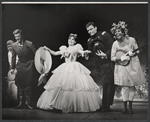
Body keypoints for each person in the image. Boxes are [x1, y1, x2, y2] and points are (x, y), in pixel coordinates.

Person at [37, 33, 102, 113]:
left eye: (72, 40)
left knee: (74, 87)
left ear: (75, 42)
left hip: (74, 67)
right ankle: (60, 104)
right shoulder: (64, 48)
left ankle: (74, 106)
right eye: (69, 39)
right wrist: (48, 49)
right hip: (65, 67)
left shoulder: (76, 48)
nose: (70, 41)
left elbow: (80, 51)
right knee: (62, 86)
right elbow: (55, 53)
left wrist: (84, 52)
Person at [110, 21, 146, 114]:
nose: (117, 33)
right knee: (125, 87)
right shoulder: (115, 44)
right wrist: (121, 58)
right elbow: (112, 57)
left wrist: (133, 53)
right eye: (115, 32)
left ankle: (130, 108)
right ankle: (125, 108)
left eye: (119, 31)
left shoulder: (131, 40)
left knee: (131, 86)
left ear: (123, 32)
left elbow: (137, 51)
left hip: (132, 64)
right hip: (121, 66)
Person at [85, 22, 116, 112]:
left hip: (108, 63)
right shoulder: (89, 40)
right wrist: (87, 55)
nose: (90, 31)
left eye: (91, 29)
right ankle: (106, 104)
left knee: (107, 83)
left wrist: (106, 55)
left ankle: (105, 105)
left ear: (95, 28)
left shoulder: (104, 35)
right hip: (98, 65)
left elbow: (113, 47)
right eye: (88, 30)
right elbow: (92, 52)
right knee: (105, 83)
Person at [9, 29, 36, 109]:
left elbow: (37, 54)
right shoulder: (14, 45)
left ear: (22, 35)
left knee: (28, 85)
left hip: (28, 65)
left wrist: (36, 63)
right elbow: (13, 58)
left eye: (19, 36)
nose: (18, 38)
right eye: (16, 37)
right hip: (20, 66)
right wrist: (12, 68)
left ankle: (28, 103)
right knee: (20, 84)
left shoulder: (29, 43)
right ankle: (20, 103)